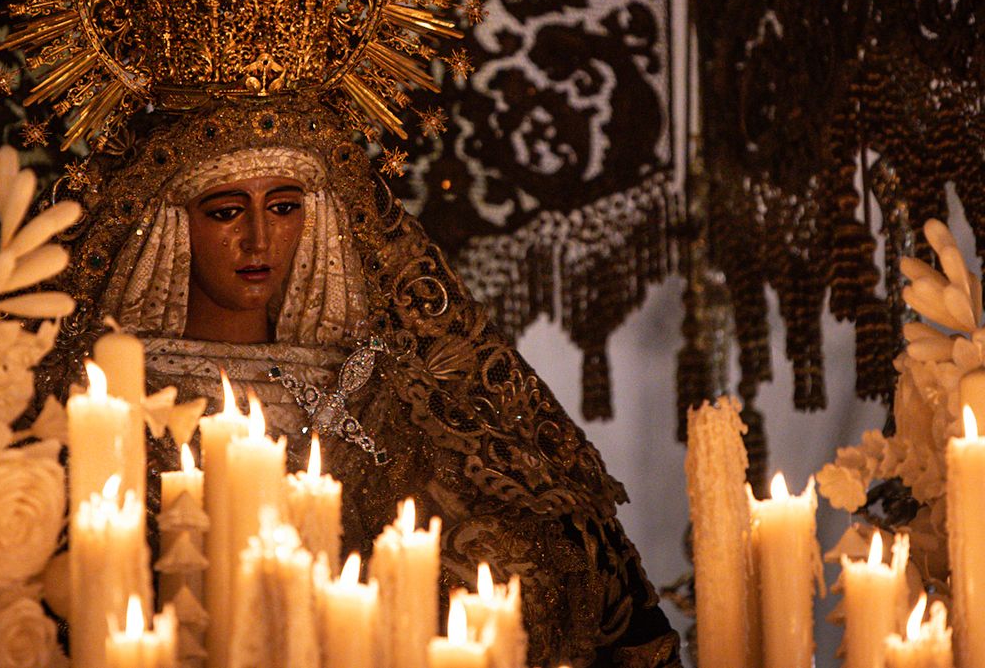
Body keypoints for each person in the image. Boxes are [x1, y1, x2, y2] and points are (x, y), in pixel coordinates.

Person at [41, 96, 681, 668]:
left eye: (286, 207)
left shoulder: (391, 390)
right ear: (170, 224)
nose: (259, 238)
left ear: (317, 219)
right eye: (226, 210)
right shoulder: (101, 405)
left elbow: (589, 584)